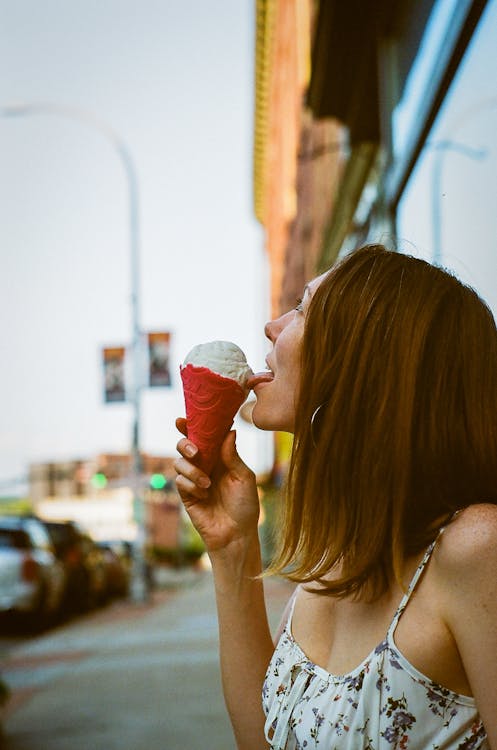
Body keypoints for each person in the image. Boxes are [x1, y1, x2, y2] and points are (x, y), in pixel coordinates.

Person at [174, 244, 497, 750]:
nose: (272, 326)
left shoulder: (478, 547)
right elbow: (260, 743)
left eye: (303, 308)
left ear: (366, 360)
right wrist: (231, 546)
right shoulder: (325, 571)